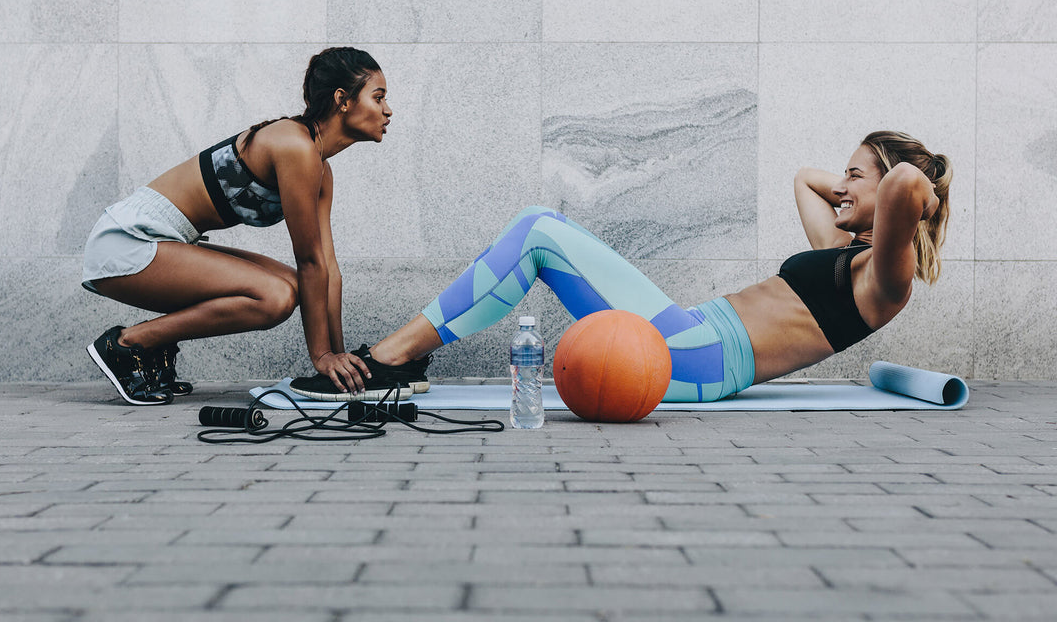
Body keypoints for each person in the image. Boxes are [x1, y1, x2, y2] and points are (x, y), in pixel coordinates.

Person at [291, 131, 951, 404]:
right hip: (694, 337)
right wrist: (852, 187)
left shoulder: (883, 282)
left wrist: (912, 182)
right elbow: (803, 181)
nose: (838, 185)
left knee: (537, 231)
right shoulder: (844, 255)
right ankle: (400, 361)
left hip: (701, 360)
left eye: (854, 176)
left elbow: (903, 191)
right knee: (537, 232)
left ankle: (394, 360)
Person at [83, 47, 428, 405]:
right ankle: (128, 344)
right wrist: (321, 357)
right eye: (379, 97)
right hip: (128, 240)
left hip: (168, 243)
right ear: (343, 100)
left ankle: (150, 349)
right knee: (275, 297)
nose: (388, 110)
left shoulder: (320, 169)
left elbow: (327, 270)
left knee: (290, 287)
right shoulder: (294, 144)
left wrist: (341, 361)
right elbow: (309, 260)